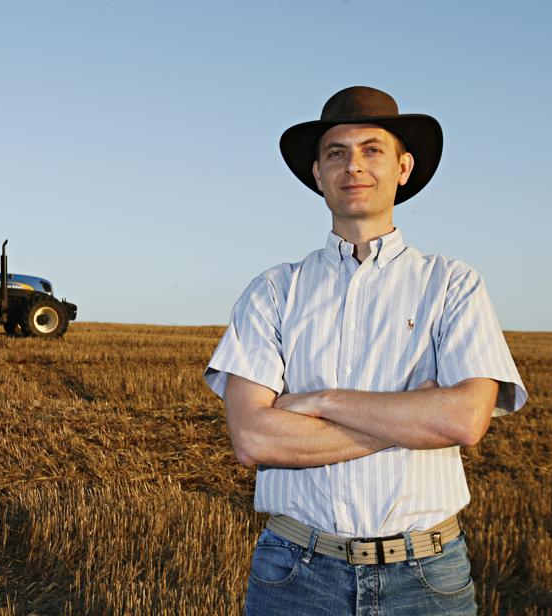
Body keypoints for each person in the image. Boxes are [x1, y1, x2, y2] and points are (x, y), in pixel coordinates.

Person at [204, 86, 527, 615]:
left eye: (372, 149)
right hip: (295, 573)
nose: (353, 166)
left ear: (403, 167)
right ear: (317, 175)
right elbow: (253, 436)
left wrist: (320, 401)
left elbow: (466, 421)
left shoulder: (453, 284)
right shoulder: (272, 291)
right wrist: (412, 419)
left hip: (427, 576)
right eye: (336, 153)